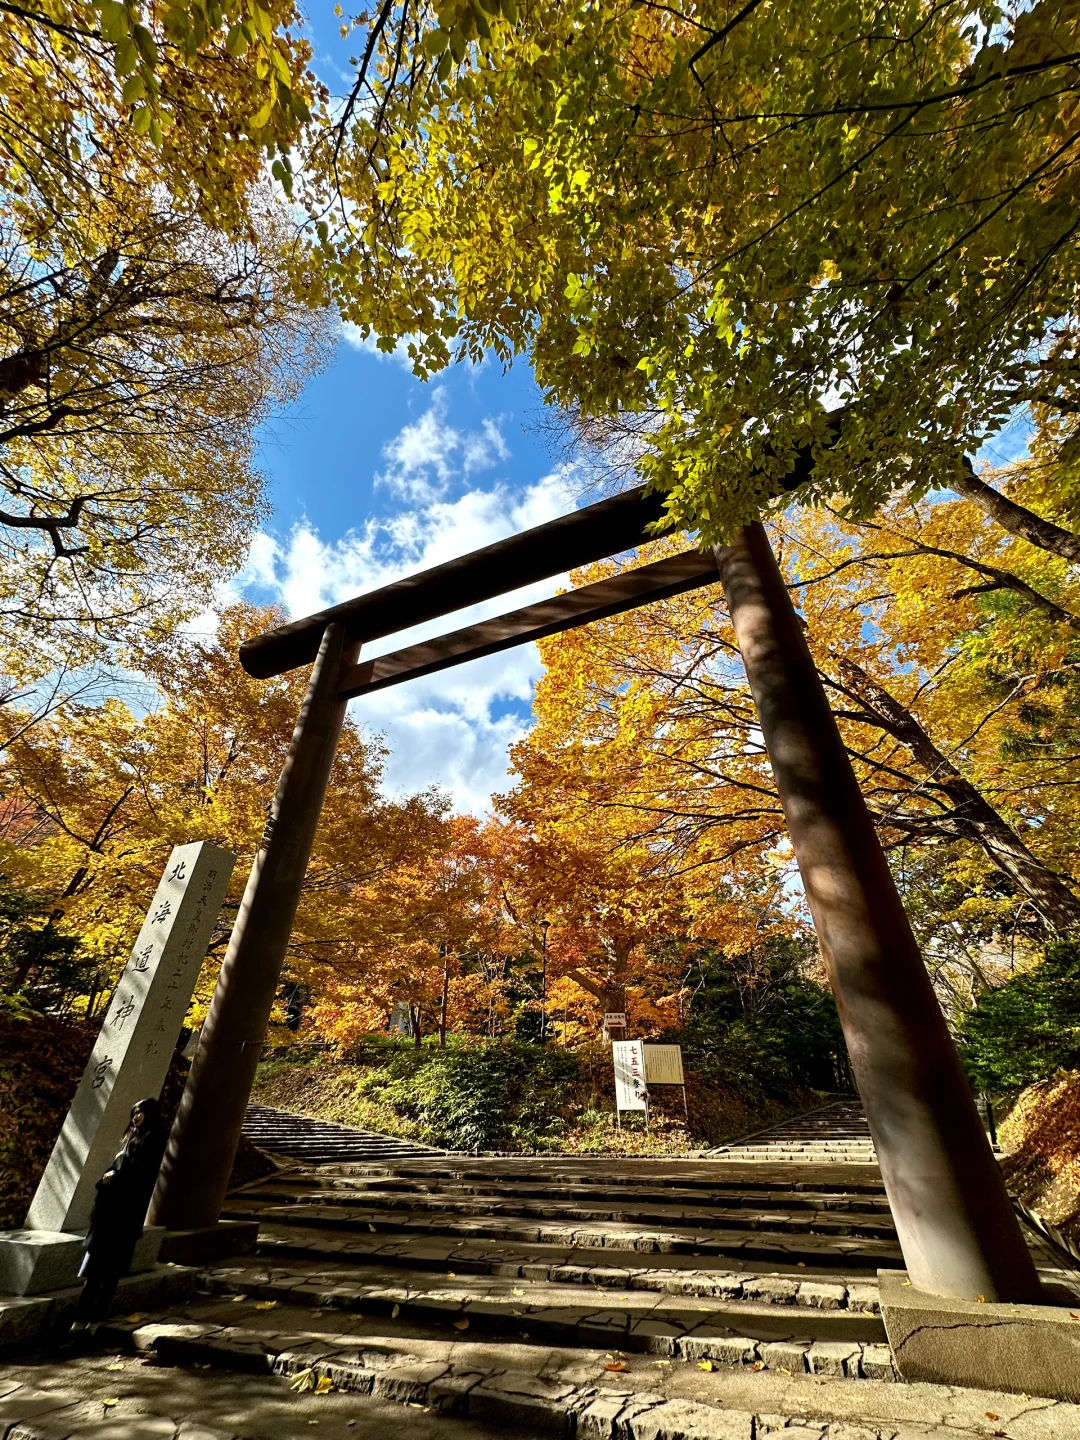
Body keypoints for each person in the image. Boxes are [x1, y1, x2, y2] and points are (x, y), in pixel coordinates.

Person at [70, 1098, 167, 1332]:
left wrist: (115, 1178)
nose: (135, 1117)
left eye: (140, 1112)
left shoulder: (154, 1138)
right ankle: (81, 1322)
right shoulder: (132, 1138)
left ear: (150, 1114)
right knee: (96, 1271)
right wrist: (106, 1180)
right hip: (109, 1212)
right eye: (134, 1112)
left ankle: (92, 1323)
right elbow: (117, 1167)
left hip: (125, 1214)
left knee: (108, 1273)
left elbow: (142, 1174)